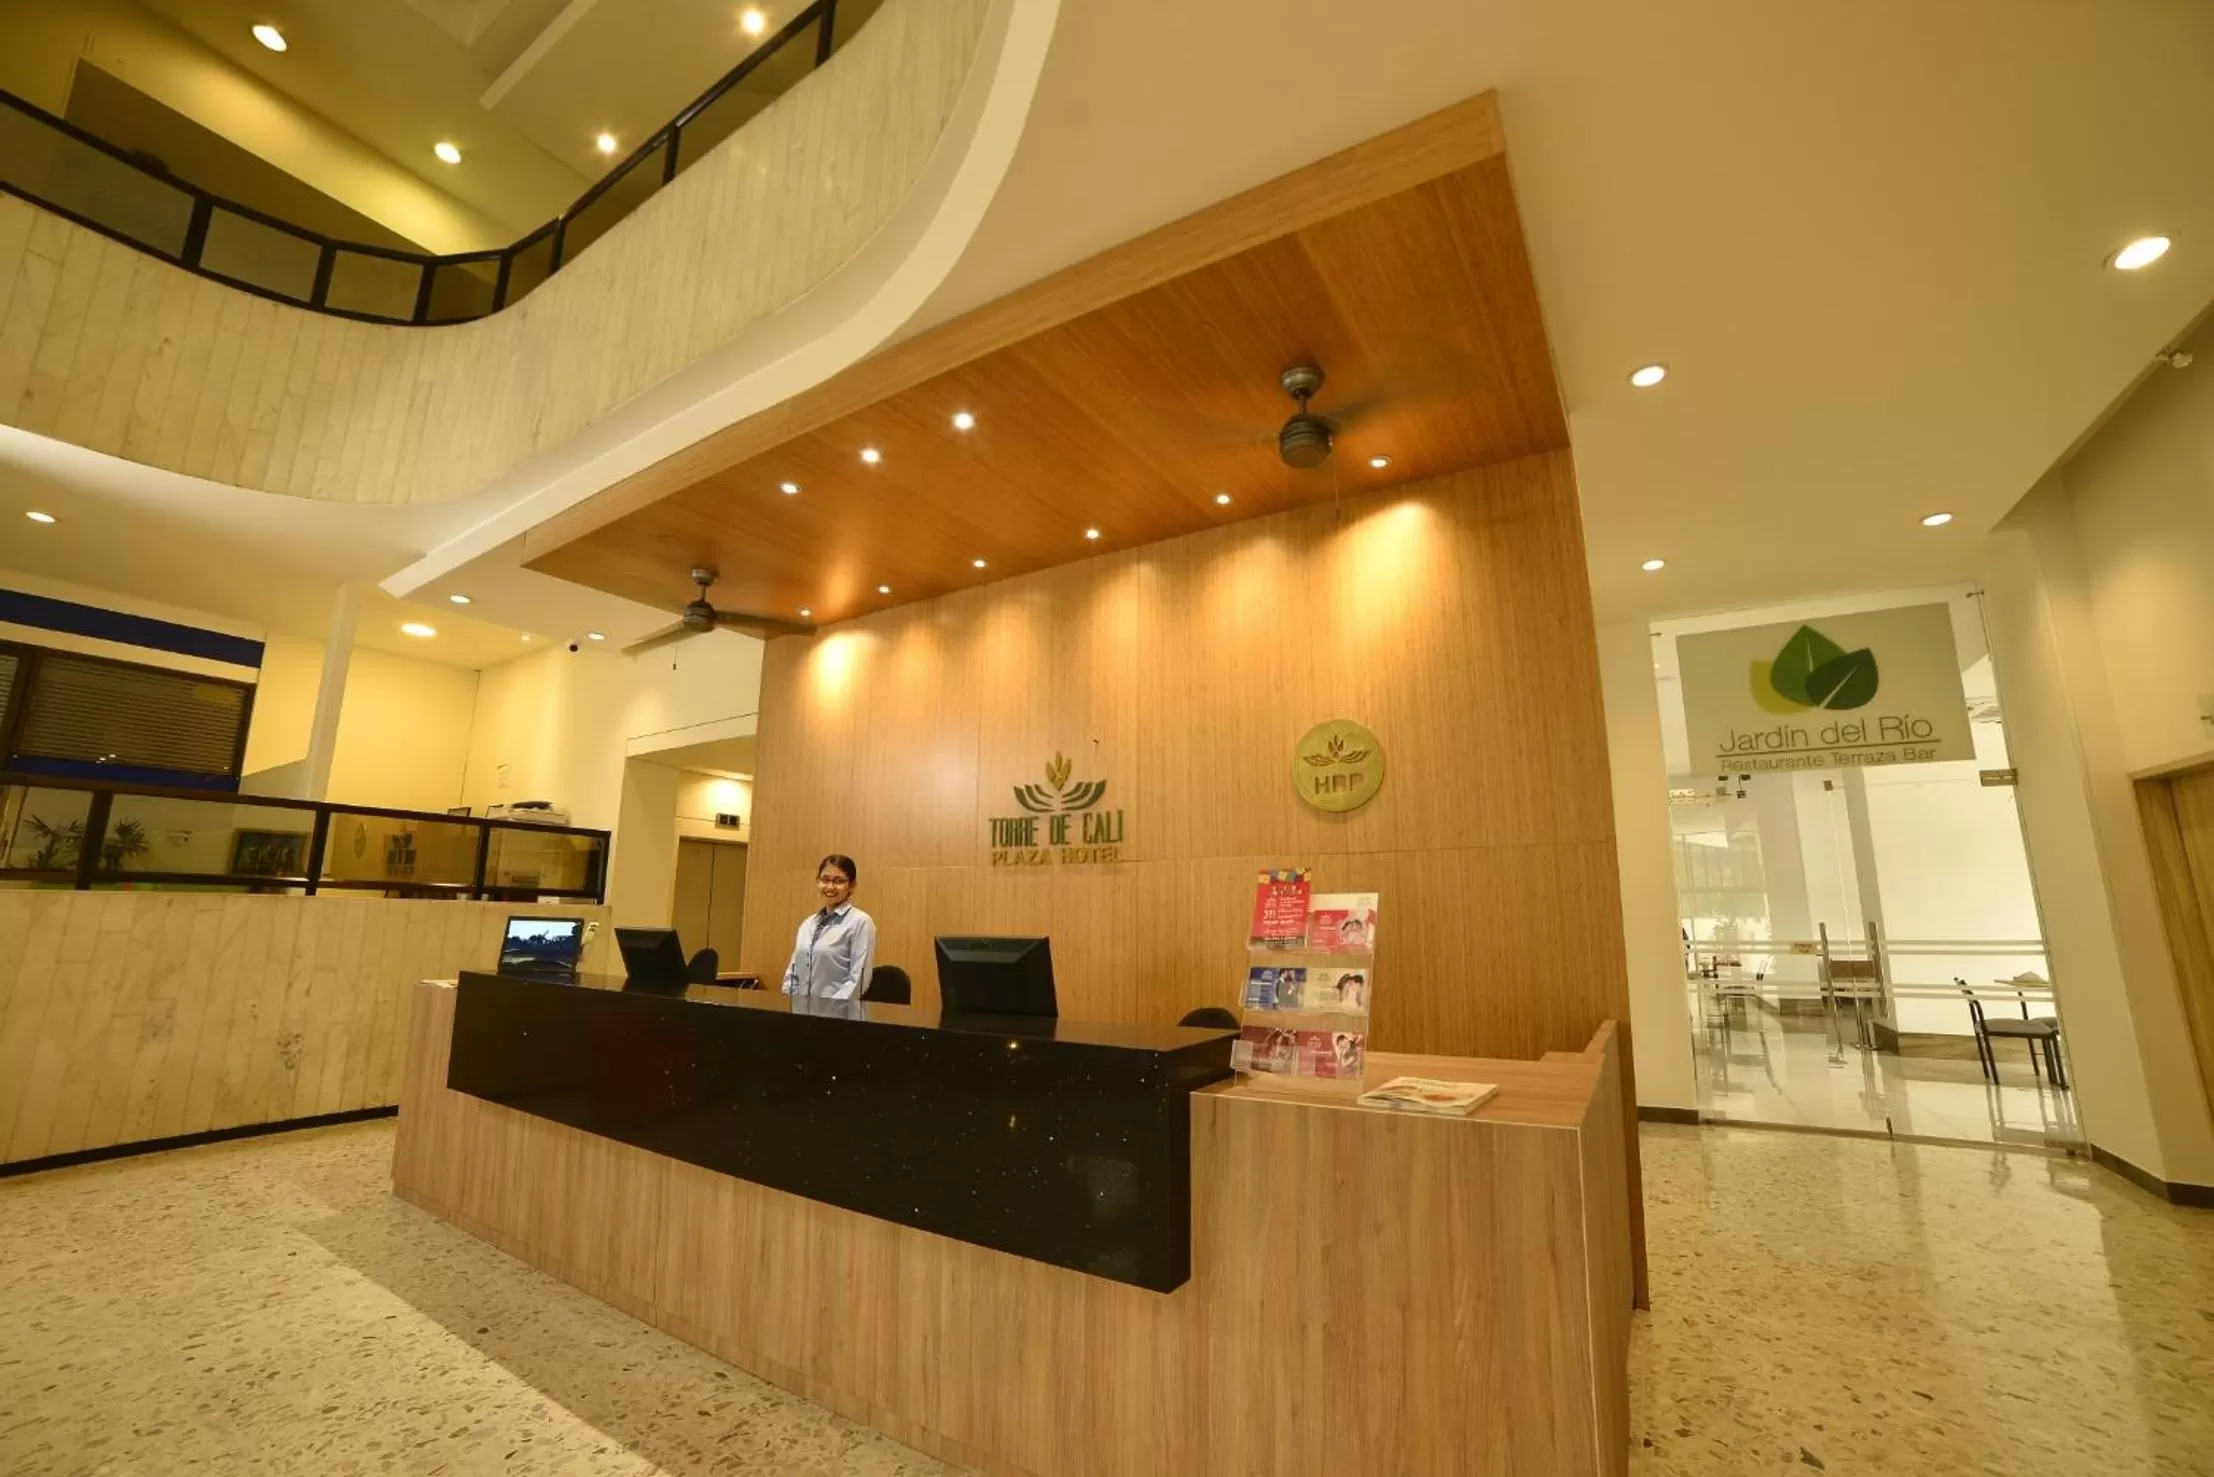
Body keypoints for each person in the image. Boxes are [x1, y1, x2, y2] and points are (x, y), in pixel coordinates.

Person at [781, 854, 876, 1001]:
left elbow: (857, 982)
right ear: (818, 882)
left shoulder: (861, 922)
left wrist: (829, 1010)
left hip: (838, 1012)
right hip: (800, 1011)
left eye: (839, 881)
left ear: (852, 885)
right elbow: (793, 972)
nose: (830, 887)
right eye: (825, 880)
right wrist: (789, 1003)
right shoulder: (808, 924)